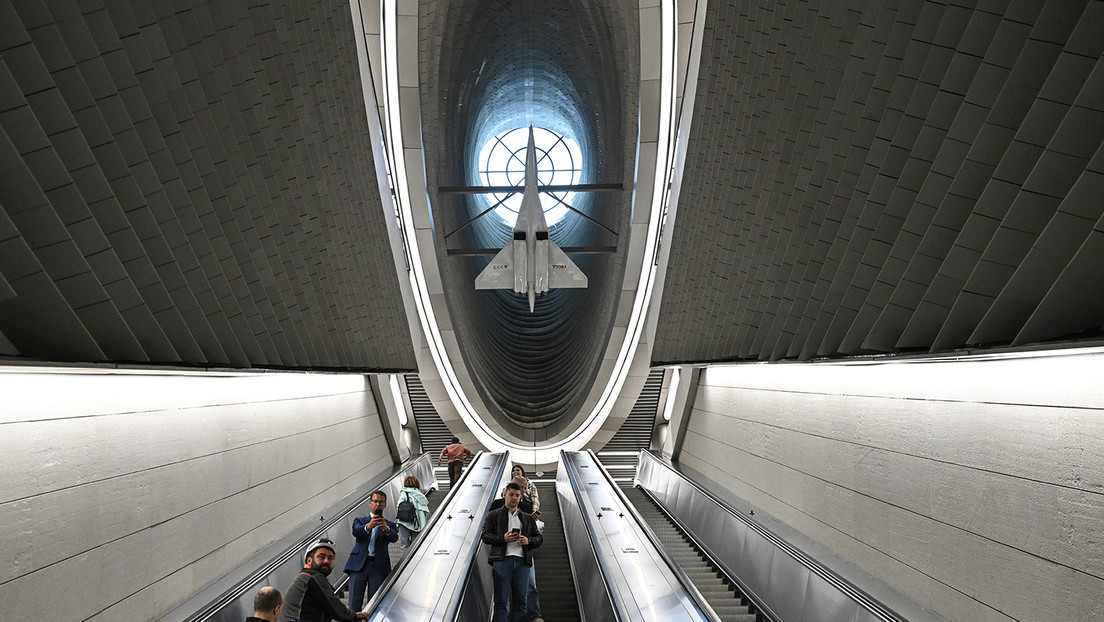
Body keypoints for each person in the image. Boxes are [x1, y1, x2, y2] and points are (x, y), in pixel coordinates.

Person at [481, 481, 543, 622]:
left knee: (521, 600)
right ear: (504, 495)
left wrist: (528, 541)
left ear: (520, 497)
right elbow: (485, 536)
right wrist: (503, 538)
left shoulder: (527, 518)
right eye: (511, 495)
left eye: (517, 495)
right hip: (502, 561)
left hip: (522, 562)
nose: (514, 498)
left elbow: (539, 538)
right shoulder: (494, 515)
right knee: (501, 600)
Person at [282, 538, 369, 622]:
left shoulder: (305, 578)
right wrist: (355, 616)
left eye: (330, 558)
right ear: (309, 560)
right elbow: (334, 607)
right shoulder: (312, 577)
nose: (326, 561)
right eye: (321, 557)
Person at [343, 491, 398, 612]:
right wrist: (368, 527)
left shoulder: (389, 524)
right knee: (353, 604)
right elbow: (356, 532)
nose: (378, 504)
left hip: (378, 566)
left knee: (374, 604)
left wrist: (386, 529)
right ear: (370, 503)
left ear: (385, 504)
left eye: (381, 502)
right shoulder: (360, 520)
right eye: (375, 501)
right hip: (358, 565)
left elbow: (394, 538)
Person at [394, 475, 431, 556]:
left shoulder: (404, 493)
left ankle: (404, 564)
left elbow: (399, 505)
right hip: (417, 523)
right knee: (416, 545)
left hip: (404, 521)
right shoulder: (421, 496)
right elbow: (425, 510)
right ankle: (414, 562)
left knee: (404, 545)